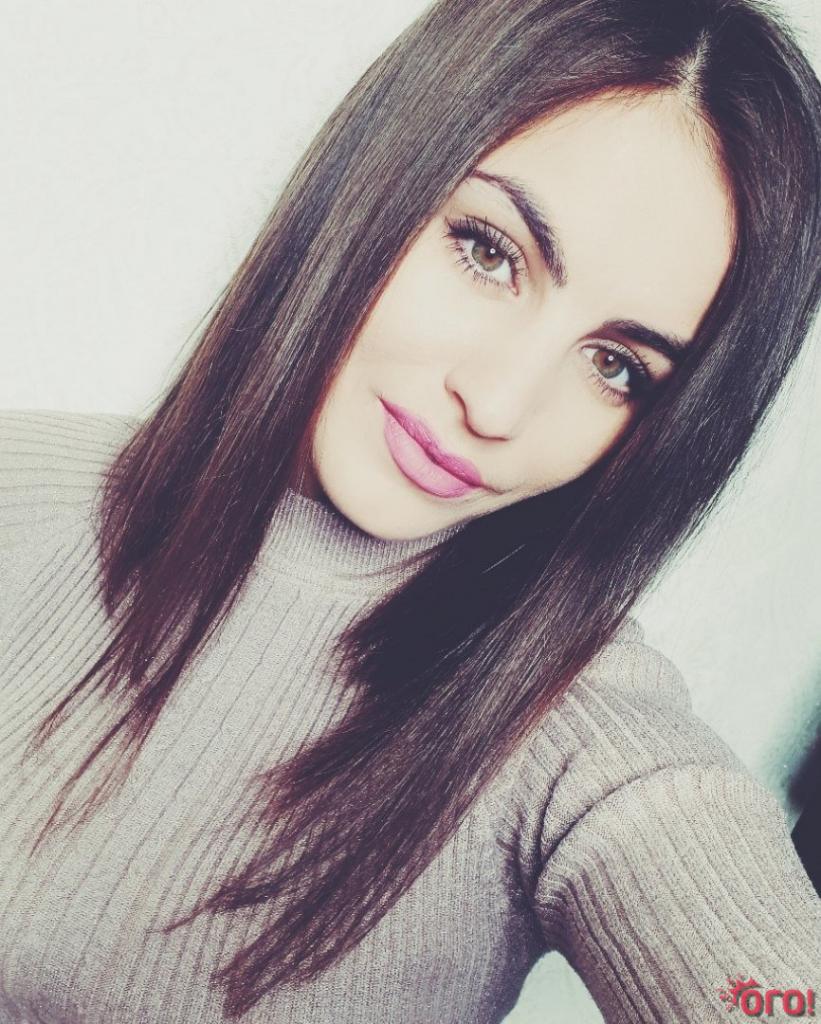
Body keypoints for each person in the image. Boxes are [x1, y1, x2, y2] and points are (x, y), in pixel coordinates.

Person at [0, 0, 819, 1021]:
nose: (498, 404)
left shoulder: (585, 746)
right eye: (488, 252)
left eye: (616, 366)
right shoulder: (18, 484)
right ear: (375, 183)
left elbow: (768, 987)